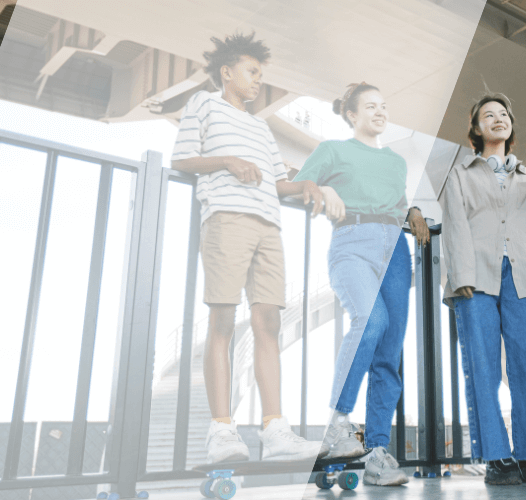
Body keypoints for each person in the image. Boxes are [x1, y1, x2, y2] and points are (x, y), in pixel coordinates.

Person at [171, 32, 325, 464]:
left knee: (269, 324)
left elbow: (279, 183)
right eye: (252, 72)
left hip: (268, 226)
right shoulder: (204, 105)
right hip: (226, 217)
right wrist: (226, 161)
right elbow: (180, 159)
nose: (258, 81)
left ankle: (275, 430)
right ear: (227, 71)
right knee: (223, 319)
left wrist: (306, 184)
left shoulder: (260, 125)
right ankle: (221, 431)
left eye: (260, 74)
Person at [293, 82, 431, 486]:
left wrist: (415, 210)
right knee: (370, 321)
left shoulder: (395, 161)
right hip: (352, 243)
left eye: (384, 106)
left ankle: (376, 453)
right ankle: (338, 424)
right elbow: (300, 185)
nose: (380, 112)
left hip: (396, 251)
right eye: (370, 106)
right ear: (351, 115)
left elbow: (397, 201)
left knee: (389, 353)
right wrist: (325, 186)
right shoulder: (332, 151)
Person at [441, 93, 526, 485]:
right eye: (488, 115)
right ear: (477, 129)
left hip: (522, 275)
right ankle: (496, 457)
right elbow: (455, 226)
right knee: (482, 365)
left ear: (511, 125)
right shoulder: (460, 176)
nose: (498, 119)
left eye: (503, 114)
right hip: (475, 275)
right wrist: (461, 275)